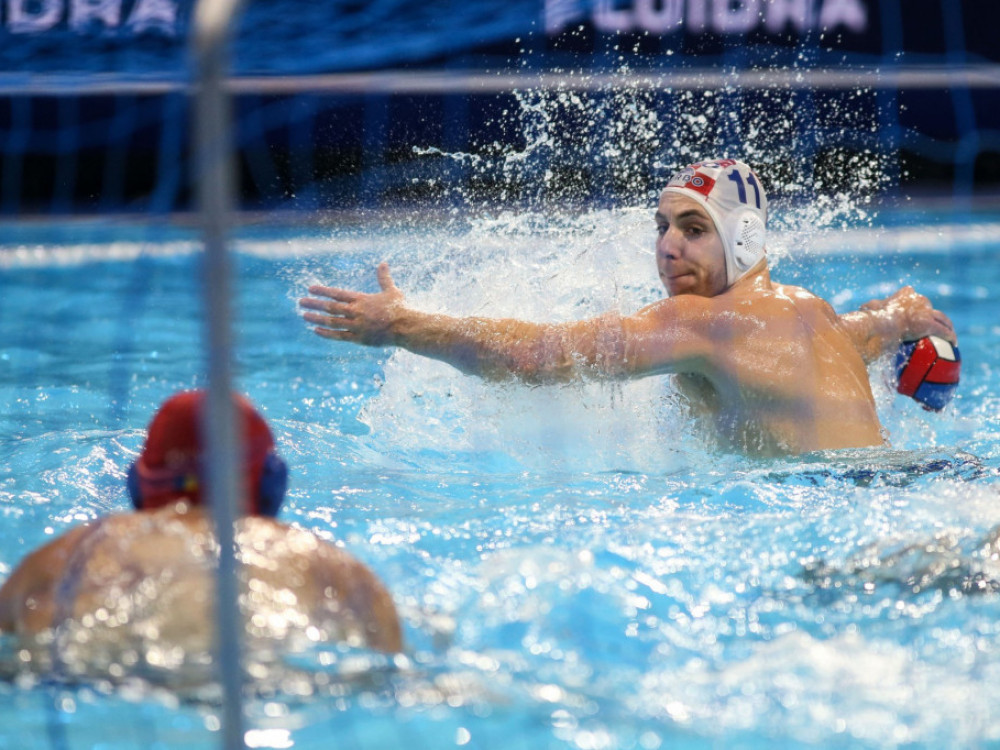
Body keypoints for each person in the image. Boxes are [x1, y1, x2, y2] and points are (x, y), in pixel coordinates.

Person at [299, 158, 956, 456]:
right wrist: (900, 315)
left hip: (838, 516)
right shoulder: (811, 313)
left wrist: (404, 325)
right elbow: (859, 333)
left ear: (745, 240)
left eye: (694, 229)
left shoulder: (700, 322)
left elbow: (541, 356)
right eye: (662, 226)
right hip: (917, 481)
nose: (668, 247)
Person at [0, 390, 402, 683]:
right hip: (273, 677)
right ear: (269, 484)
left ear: (139, 485)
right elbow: (389, 668)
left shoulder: (62, 557)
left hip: (96, 673)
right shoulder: (329, 566)